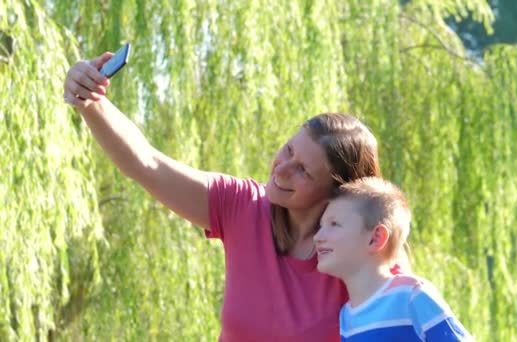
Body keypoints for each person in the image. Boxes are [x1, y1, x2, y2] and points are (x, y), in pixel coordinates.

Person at [63, 52, 385, 341]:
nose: (281, 169)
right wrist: (91, 101)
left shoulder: (361, 255)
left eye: (303, 170)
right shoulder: (243, 206)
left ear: (338, 192)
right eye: (288, 150)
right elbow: (146, 163)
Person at [314, 177, 472, 341]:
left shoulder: (411, 295)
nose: (317, 237)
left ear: (375, 238)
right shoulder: (347, 316)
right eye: (321, 226)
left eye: (334, 224)